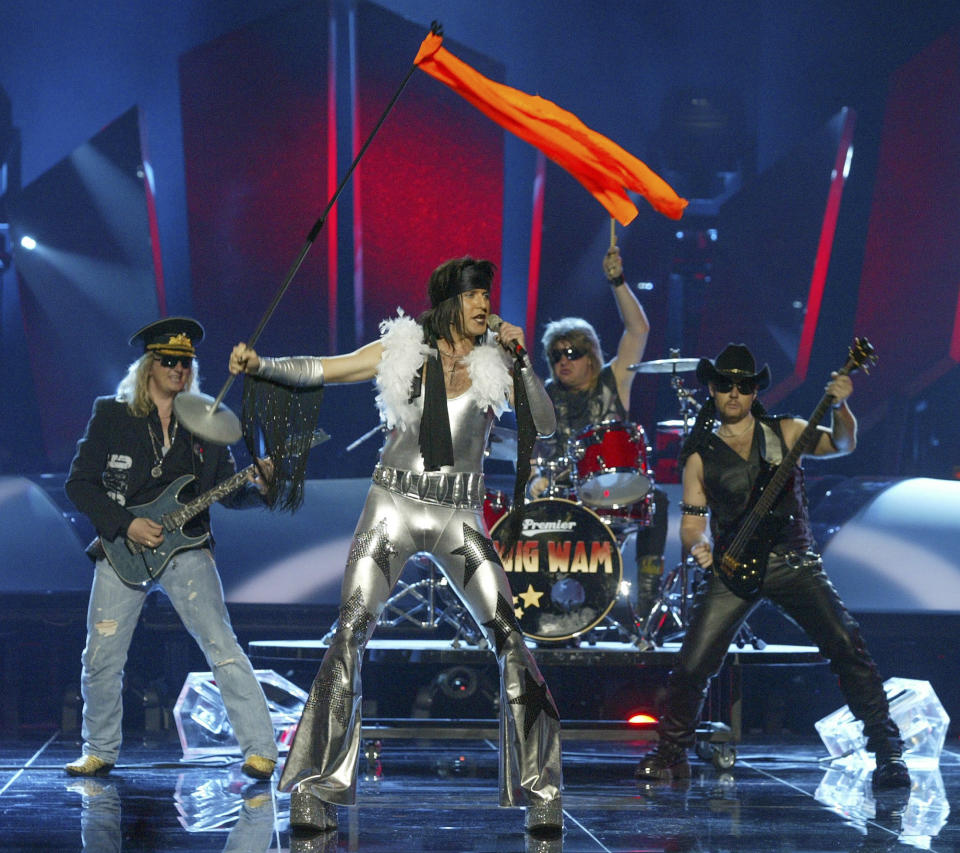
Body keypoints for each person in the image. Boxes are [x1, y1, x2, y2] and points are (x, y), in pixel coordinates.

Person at [229, 257, 564, 836]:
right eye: (474, 296)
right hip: (393, 507)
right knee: (350, 631)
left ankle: (543, 790)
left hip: (460, 514)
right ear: (448, 303)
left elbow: (547, 423)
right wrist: (264, 365)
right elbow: (328, 370)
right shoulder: (402, 349)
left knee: (511, 638)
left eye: (488, 295)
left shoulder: (498, 363)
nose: (485, 304)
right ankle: (315, 787)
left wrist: (523, 360)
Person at [634, 343, 911, 790]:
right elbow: (692, 521)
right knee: (692, 664)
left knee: (846, 643)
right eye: (725, 384)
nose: (734, 393)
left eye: (743, 385)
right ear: (712, 388)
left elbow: (843, 443)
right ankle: (670, 752)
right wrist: (699, 546)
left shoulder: (785, 431)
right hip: (732, 567)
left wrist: (840, 406)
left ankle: (887, 751)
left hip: (793, 561)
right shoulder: (700, 455)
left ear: (754, 391)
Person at [64, 317, 279, 781]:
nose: (179, 369)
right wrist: (126, 524)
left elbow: (225, 489)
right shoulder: (112, 415)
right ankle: (98, 749)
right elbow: (79, 485)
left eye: (185, 362)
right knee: (100, 657)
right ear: (148, 366)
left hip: (187, 547)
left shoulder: (205, 422)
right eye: (168, 361)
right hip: (123, 548)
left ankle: (261, 750)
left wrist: (259, 487)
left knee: (221, 645)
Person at [535, 244, 667, 620]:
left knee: (655, 499)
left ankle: (646, 603)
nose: (563, 361)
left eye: (572, 353)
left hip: (612, 489)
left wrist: (618, 282)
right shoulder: (546, 395)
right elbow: (532, 451)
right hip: (564, 494)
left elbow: (638, 329)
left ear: (590, 354)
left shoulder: (614, 379)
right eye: (556, 355)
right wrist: (533, 478)